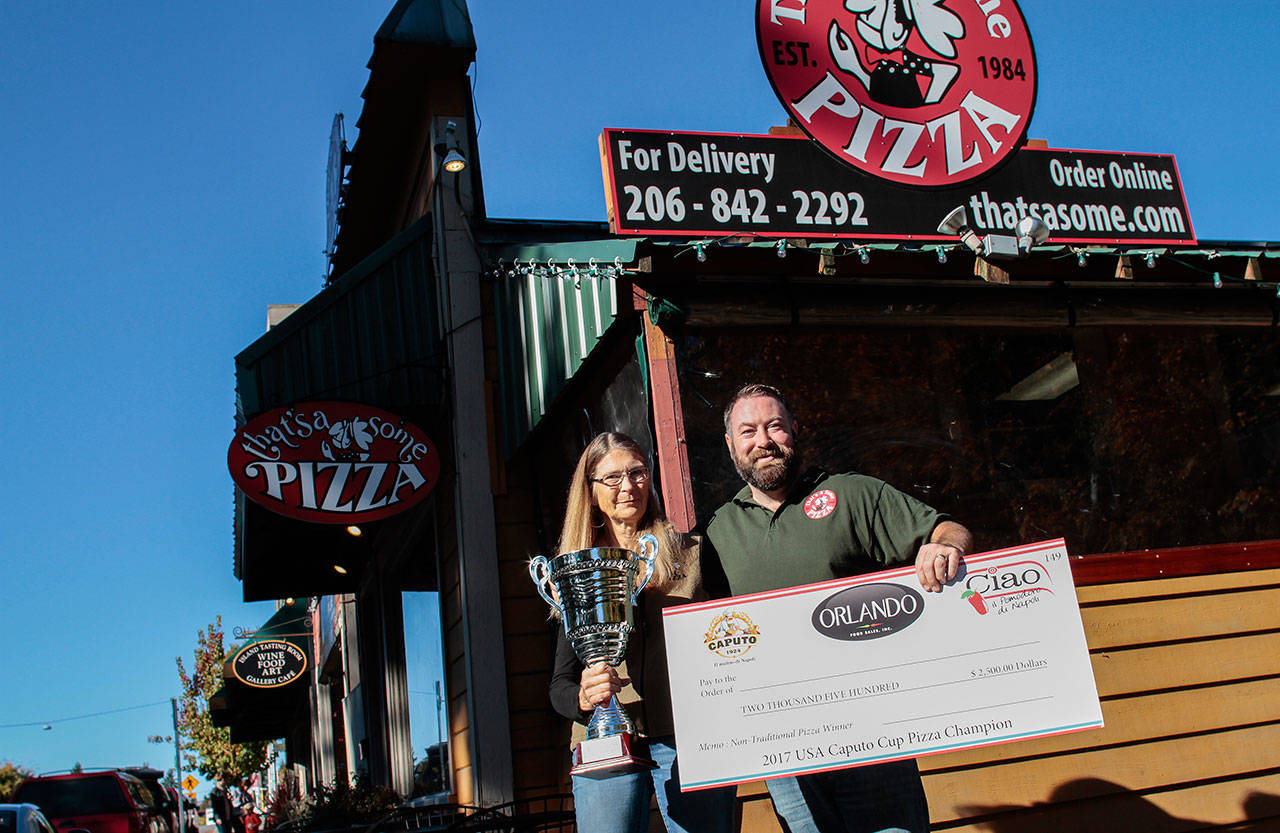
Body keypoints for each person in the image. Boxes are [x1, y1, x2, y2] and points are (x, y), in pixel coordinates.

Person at [704, 384, 974, 833]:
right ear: (731, 446)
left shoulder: (853, 494)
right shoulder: (717, 532)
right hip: (784, 745)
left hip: (872, 729)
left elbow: (948, 529)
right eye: (747, 431)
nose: (763, 440)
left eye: (775, 426)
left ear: (795, 430)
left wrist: (943, 549)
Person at [548, 432, 736, 833]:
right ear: (590, 490)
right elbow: (559, 685)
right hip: (605, 739)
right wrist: (584, 698)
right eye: (612, 478)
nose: (628, 486)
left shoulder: (695, 553)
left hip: (693, 737)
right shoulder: (577, 572)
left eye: (637, 472)